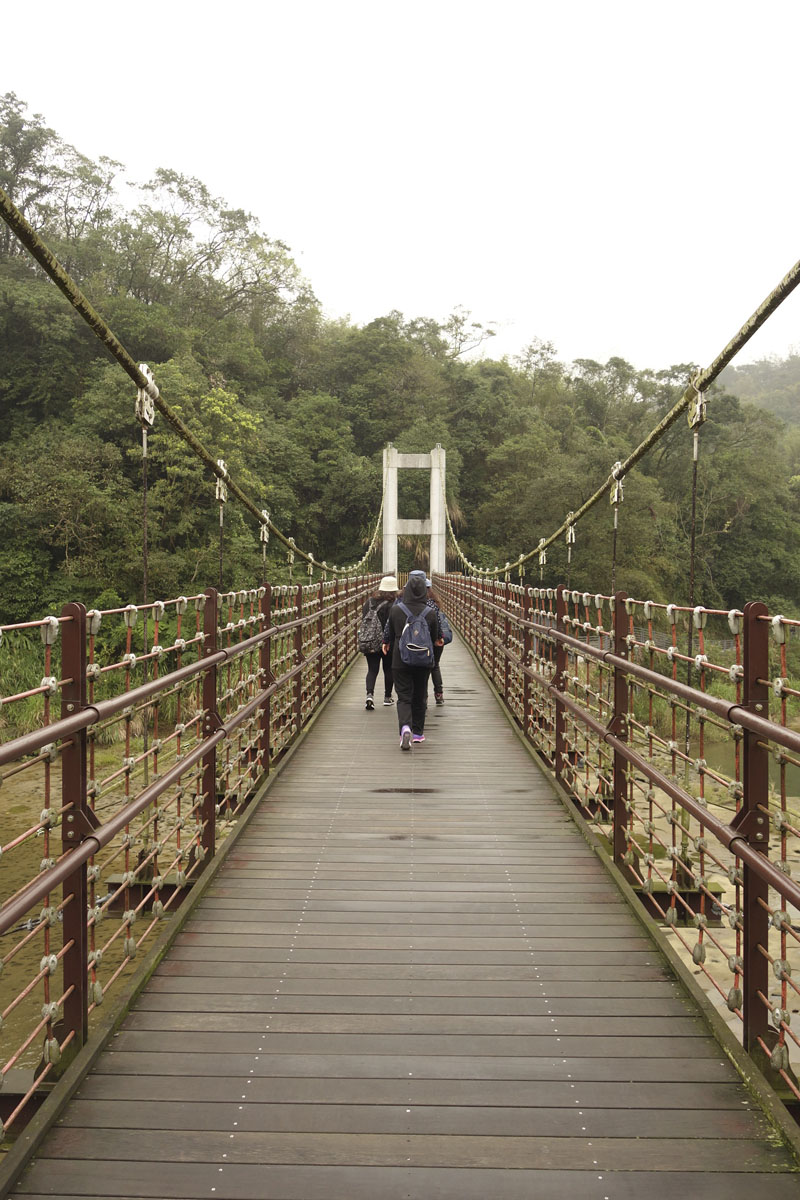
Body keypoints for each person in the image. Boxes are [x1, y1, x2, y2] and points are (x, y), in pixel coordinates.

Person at [382, 569, 443, 750]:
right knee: (419, 696)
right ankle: (417, 733)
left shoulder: (395, 610)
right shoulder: (430, 611)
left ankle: (405, 728)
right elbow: (436, 637)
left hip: (400, 659)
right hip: (423, 660)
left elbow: (389, 634)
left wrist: (386, 643)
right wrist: (437, 639)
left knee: (403, 697)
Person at [361, 575, 398, 710]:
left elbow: (364, 619)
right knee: (388, 669)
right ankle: (387, 697)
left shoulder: (369, 602)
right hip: (388, 642)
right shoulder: (395, 604)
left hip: (371, 640)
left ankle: (369, 695)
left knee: (372, 669)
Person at [425, 579, 446, 705]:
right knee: (435, 665)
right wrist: (438, 638)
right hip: (435, 640)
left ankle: (424, 696)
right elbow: (437, 623)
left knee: (423, 668)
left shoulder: (414, 604)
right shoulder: (435, 603)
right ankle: (439, 694)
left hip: (421, 641)